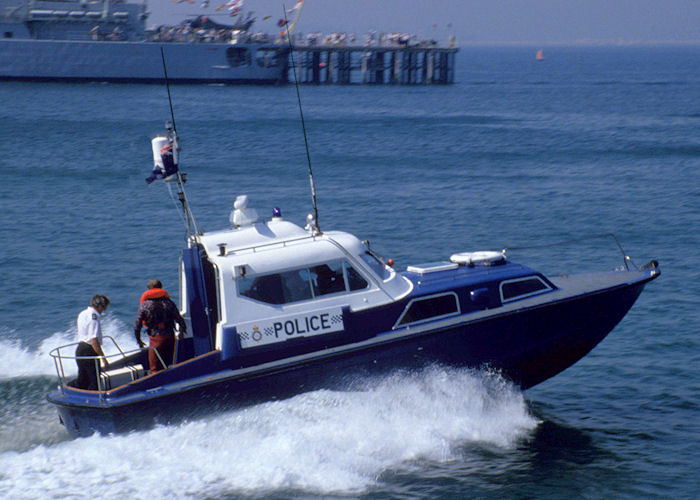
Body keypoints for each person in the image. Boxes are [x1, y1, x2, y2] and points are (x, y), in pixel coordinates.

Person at [134, 279, 187, 373]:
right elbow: (179, 319)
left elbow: (137, 325)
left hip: (156, 338)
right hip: (170, 337)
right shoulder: (169, 302)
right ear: (160, 288)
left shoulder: (145, 305)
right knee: (168, 364)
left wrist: (139, 341)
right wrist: (182, 332)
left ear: (149, 290)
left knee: (155, 368)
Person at [73, 294, 110, 390]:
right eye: (104, 307)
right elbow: (94, 340)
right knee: (95, 381)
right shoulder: (94, 317)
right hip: (89, 351)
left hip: (80, 349)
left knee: (83, 379)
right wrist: (103, 358)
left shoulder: (83, 313)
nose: (104, 310)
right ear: (100, 306)